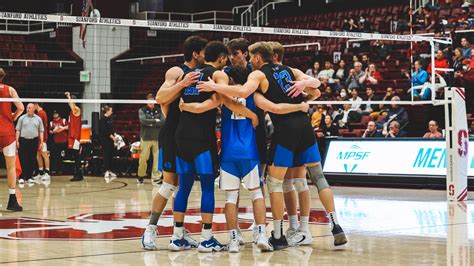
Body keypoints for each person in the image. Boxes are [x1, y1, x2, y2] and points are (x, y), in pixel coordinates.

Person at [197, 41, 347, 249]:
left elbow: (244, 94)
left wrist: (214, 86)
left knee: (273, 184)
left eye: (250, 56)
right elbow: (317, 91)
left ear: (258, 57)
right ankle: (334, 225)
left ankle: (277, 234)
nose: (248, 60)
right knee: (314, 178)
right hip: (305, 128)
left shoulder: (256, 76)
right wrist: (304, 96)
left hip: (282, 133)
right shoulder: (290, 71)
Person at [142, 35, 207, 251]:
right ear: (195, 53)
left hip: (190, 136)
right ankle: (150, 229)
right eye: (204, 51)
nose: (206, 55)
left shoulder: (206, 73)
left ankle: (178, 233)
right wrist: (183, 84)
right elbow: (161, 98)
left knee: (184, 186)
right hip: (171, 134)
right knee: (169, 184)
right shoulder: (176, 71)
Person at [0, 68, 24, 211]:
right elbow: (21, 108)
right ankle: (12, 201)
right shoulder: (10, 90)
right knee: (11, 167)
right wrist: (12, 119)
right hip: (7, 132)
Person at [137, 94, 164, 184]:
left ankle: (156, 178)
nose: (151, 102)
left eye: (152, 100)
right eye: (149, 101)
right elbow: (143, 121)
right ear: (146, 101)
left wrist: (151, 123)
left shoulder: (159, 110)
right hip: (146, 138)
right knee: (143, 158)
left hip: (157, 138)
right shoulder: (142, 110)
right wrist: (155, 121)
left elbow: (163, 122)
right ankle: (141, 175)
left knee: (157, 159)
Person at [16, 103, 44, 185]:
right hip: (23, 141)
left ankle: (29, 177)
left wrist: (41, 142)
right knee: (23, 158)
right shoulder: (22, 118)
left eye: (29, 107)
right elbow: (18, 129)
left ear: (33, 109)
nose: (28, 109)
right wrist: (17, 140)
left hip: (33, 141)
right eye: (27, 107)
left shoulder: (38, 119)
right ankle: (21, 177)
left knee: (32, 159)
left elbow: (41, 131)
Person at [64, 92, 83, 182]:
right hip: (71, 136)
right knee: (74, 156)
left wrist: (68, 96)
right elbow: (70, 125)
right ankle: (78, 174)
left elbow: (72, 106)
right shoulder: (72, 112)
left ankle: (78, 175)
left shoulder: (76, 109)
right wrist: (62, 128)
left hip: (75, 137)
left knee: (76, 156)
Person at [99, 105, 117, 182]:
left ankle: (110, 171)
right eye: (110, 110)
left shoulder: (110, 119)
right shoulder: (102, 120)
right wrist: (112, 137)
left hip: (110, 141)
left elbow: (111, 130)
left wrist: (115, 135)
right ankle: (106, 171)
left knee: (110, 155)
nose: (111, 112)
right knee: (106, 156)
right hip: (105, 141)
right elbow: (104, 131)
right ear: (107, 111)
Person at [34, 103, 50, 182]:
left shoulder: (41, 113)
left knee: (44, 154)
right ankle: (40, 173)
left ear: (36, 104)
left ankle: (47, 173)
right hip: (38, 138)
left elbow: (39, 126)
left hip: (42, 138)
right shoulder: (40, 113)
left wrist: (42, 139)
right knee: (38, 155)